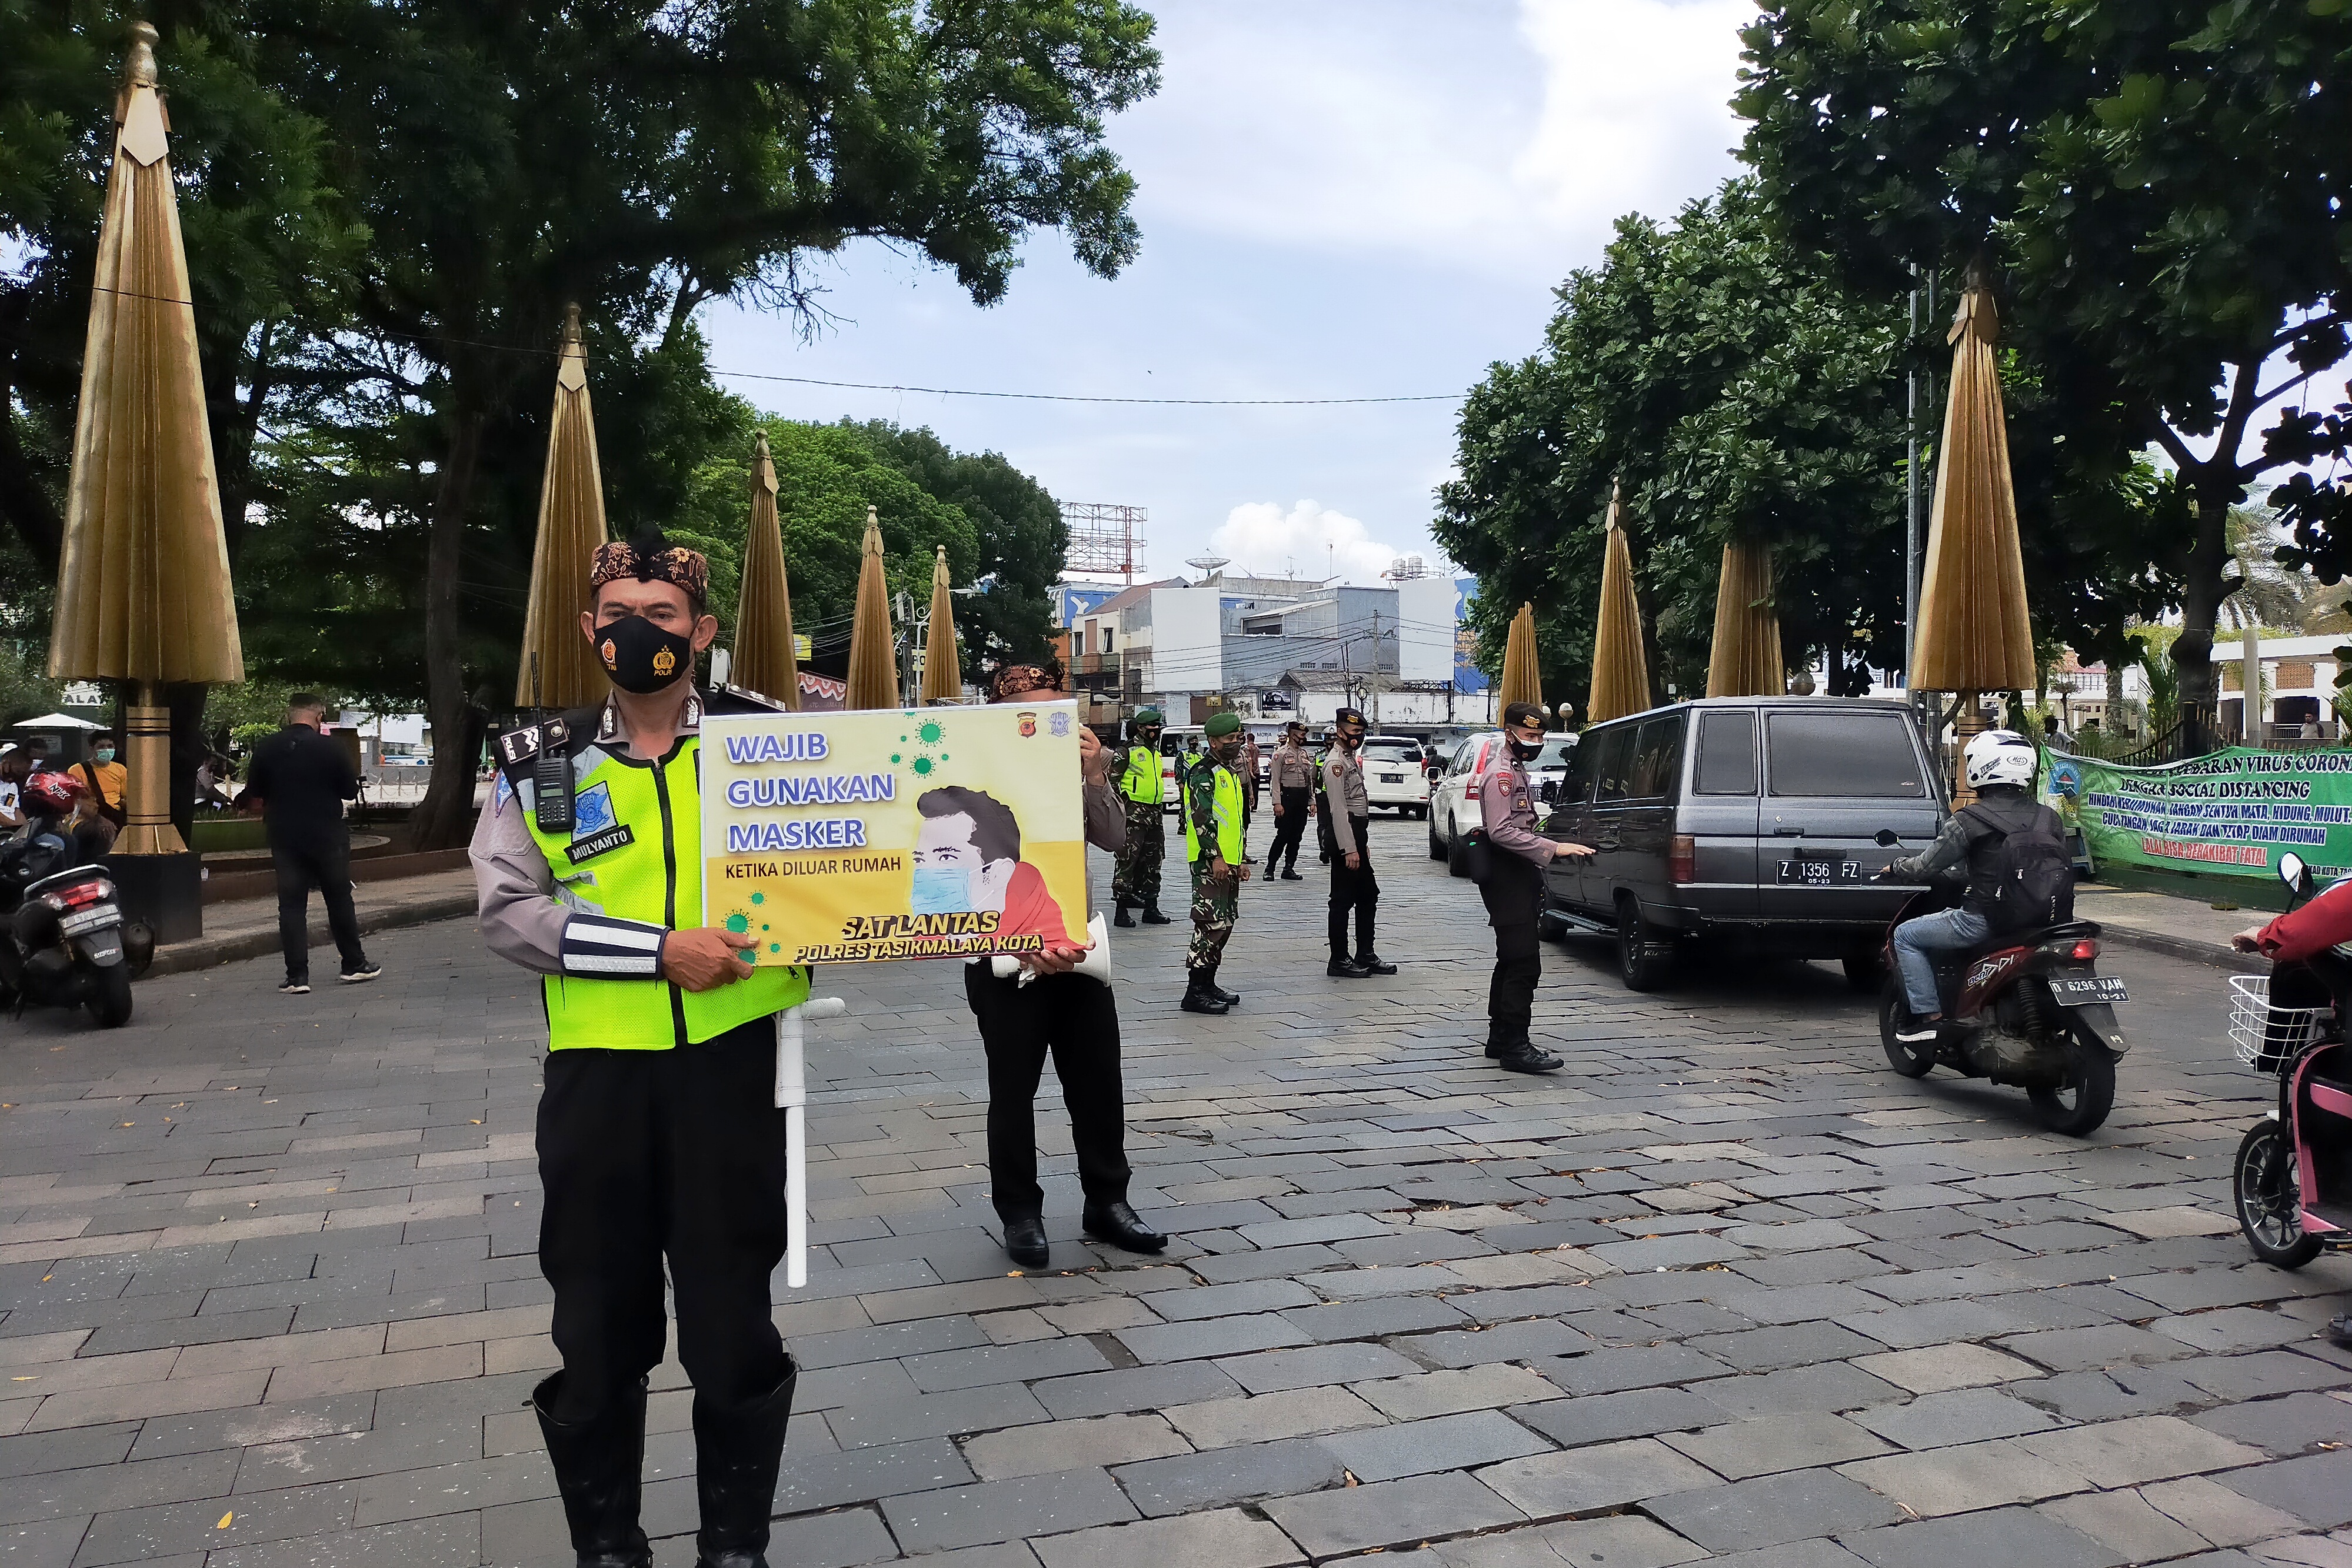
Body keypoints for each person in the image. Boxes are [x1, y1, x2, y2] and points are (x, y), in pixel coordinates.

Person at [472, 530, 809, 1568]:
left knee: (731, 1322)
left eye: (661, 615)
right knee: (595, 1319)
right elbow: (506, 909)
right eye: (617, 614)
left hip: (731, 1071)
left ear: (701, 632)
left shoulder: (775, 743)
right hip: (596, 1078)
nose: (636, 631)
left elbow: (885, 861)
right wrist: (657, 952)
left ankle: (734, 1550)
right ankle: (609, 1549)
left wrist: (1020, 902)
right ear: (589, 628)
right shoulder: (540, 759)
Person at [963, 663, 1165, 1271]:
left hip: (1077, 950)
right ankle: (1020, 1212)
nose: (1044, 720)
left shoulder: (1074, 767)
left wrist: (1096, 774)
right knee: (1012, 1090)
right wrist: (1014, 938)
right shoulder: (970, 775)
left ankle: (1108, 1201)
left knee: (1098, 1082)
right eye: (1030, 708)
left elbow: (1115, 838)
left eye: (1056, 707)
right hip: (1002, 956)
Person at [1883, 729, 2050, 1043]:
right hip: (2044, 922)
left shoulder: (1969, 819)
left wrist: (1896, 867)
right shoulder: (2048, 818)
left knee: (1905, 935)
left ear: (1981, 766)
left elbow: (1925, 867)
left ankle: (1931, 1018)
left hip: (1984, 921)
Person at [1475, 703, 1595, 1073]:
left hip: (1518, 870)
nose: (1537, 742)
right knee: (1524, 961)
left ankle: (1500, 1038)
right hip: (1506, 871)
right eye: (1530, 735)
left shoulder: (1516, 769)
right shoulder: (1502, 774)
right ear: (1510, 733)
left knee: (1511, 958)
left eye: (1541, 736)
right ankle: (1516, 1047)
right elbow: (1501, 831)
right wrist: (1553, 848)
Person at [242, 695, 378, 995]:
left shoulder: (267, 747)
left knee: (291, 906)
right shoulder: (331, 747)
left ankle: (297, 976)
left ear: (289, 715)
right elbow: (349, 791)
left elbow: (256, 790)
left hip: (284, 835)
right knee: (339, 899)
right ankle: (354, 964)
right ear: (319, 717)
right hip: (327, 834)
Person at [913, 785, 1074, 943]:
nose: (927, 872)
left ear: (1000, 873)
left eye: (946, 857)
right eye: (919, 860)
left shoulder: (1046, 939)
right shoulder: (923, 942)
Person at [1181, 712, 1250, 1014]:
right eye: (1229, 739)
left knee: (1225, 924)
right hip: (1209, 862)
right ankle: (1195, 992)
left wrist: (1240, 859)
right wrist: (1215, 856)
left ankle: (1209, 983)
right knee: (1209, 925)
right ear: (1213, 742)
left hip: (1229, 861)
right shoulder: (1203, 772)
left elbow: (1234, 822)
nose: (1235, 743)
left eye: (1238, 738)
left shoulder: (1229, 772)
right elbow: (1202, 818)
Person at [1323, 708, 1395, 978]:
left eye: (1361, 732)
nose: (1358, 736)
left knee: (1368, 894)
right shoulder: (1336, 764)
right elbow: (1338, 810)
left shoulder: (1349, 758)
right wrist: (1349, 848)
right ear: (1340, 732)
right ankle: (1338, 959)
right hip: (1345, 836)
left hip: (1356, 834)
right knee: (1342, 900)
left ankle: (1365, 953)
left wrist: (1360, 844)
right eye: (1354, 731)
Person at [1110, 708, 1171, 928]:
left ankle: (1151, 908)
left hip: (1155, 815)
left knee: (1154, 862)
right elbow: (1112, 783)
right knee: (1127, 862)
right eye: (1152, 727)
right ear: (1142, 729)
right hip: (1133, 817)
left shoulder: (1156, 752)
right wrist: (1123, 808)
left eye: (1158, 726)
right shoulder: (1126, 751)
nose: (1156, 730)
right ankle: (1121, 911)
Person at [1265, 721, 1314, 881]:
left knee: (1297, 836)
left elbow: (1309, 780)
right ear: (1293, 735)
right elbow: (1275, 780)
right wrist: (1277, 803)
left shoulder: (1304, 754)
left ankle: (1289, 868)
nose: (1303, 738)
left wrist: (1311, 801)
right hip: (1287, 797)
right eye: (1301, 735)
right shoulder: (1280, 754)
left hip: (1301, 798)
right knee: (1283, 835)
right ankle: (1270, 868)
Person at [76, 732, 126, 830]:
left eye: (110, 746)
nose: (107, 750)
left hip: (115, 818)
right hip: (88, 819)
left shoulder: (121, 769)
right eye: (101, 747)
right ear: (91, 749)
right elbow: (77, 801)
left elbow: (126, 797)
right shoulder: (77, 770)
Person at [1238, 725, 1262, 861]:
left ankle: (1243, 852)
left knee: (1245, 824)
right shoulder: (1227, 756)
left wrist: (1251, 793)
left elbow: (1246, 775)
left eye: (1242, 737)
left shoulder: (1243, 752)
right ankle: (1236, 853)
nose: (1240, 740)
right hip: (1233, 793)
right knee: (1237, 825)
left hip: (1244, 792)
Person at [0, 746, 26, 833]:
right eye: (18, 771)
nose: (20, 775)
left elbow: (15, 809)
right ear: (6, 764)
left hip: (10, 832)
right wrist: (14, 826)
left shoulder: (13, 785)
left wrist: (26, 829)